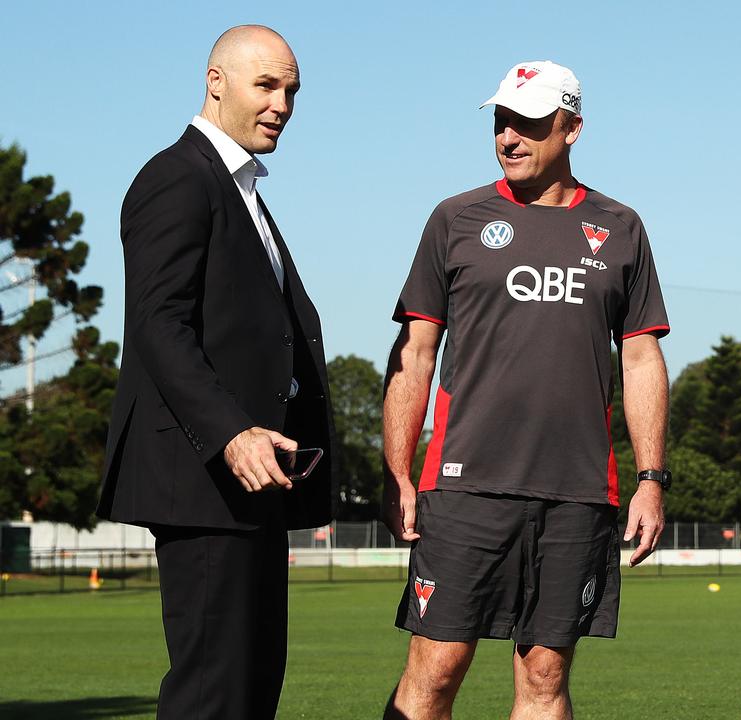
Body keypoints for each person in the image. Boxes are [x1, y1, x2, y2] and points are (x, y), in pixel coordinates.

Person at [382, 60, 671, 720]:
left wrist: (651, 476)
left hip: (575, 491)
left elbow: (641, 358)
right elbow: (415, 357)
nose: (509, 137)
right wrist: (399, 471)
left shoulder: (620, 226)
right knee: (436, 668)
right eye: (500, 122)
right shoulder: (454, 218)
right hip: (464, 485)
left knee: (544, 676)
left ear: (572, 129)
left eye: (529, 123)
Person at [96, 25, 335, 719]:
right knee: (214, 696)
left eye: (291, 90)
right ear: (215, 81)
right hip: (204, 484)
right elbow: (156, 323)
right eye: (266, 84)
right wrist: (232, 433)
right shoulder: (176, 177)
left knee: (252, 690)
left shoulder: (240, 190)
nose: (282, 103)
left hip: (253, 486)